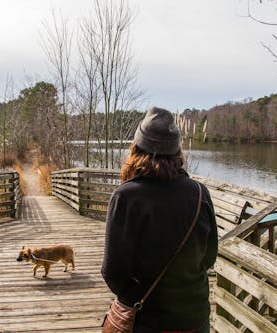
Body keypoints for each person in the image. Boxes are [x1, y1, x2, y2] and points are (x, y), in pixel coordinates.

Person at [101, 107, 218, 333]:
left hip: (148, 321)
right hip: (194, 318)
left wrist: (136, 297)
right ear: (177, 152)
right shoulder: (200, 193)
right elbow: (209, 256)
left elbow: (113, 272)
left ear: (136, 148)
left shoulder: (126, 197)